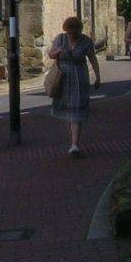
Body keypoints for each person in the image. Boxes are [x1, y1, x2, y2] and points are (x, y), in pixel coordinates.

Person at [47, 16, 102, 157]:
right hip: (62, 78)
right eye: (69, 32)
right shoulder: (60, 39)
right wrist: (57, 52)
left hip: (79, 77)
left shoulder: (86, 41)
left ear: (79, 30)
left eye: (74, 32)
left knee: (76, 112)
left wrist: (97, 76)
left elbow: (92, 58)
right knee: (68, 112)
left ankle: (75, 145)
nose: (71, 34)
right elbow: (51, 54)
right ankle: (73, 141)